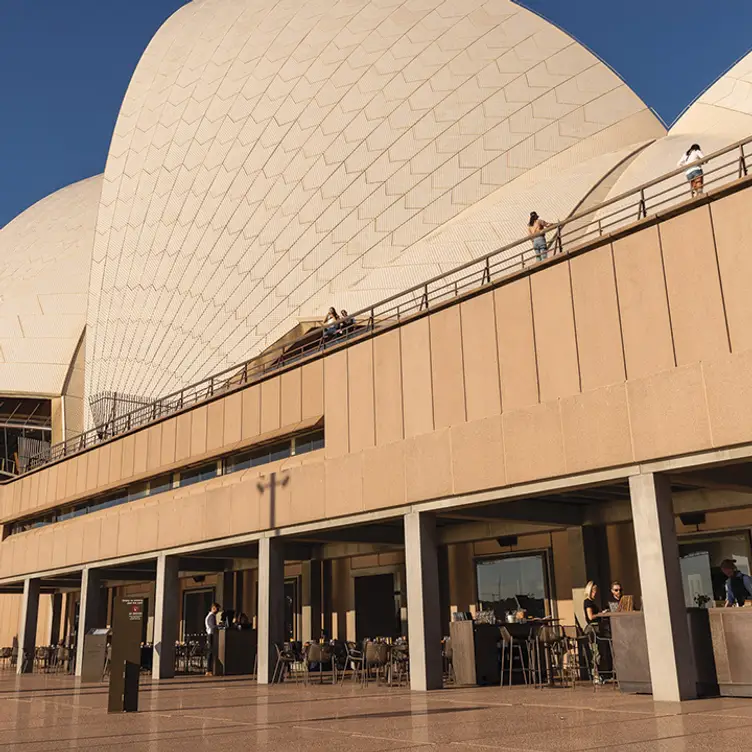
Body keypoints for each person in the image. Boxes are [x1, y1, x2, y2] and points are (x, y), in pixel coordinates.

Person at [204, 602, 220, 676]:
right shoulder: (211, 616)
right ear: (213, 608)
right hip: (211, 635)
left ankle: (209, 670)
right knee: (210, 652)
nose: (218, 610)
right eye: (217, 609)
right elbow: (212, 626)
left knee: (210, 652)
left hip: (209, 634)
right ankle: (209, 670)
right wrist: (218, 627)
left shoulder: (209, 616)